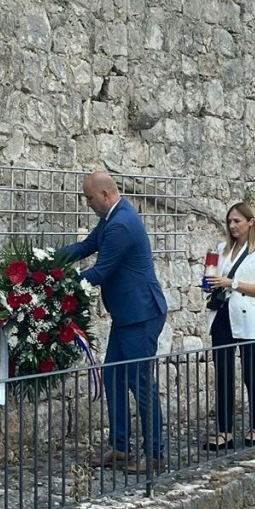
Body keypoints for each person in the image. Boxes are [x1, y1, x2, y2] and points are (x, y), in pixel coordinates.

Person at [63, 171, 168, 473]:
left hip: (142, 314)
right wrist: (46, 262)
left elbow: (99, 272)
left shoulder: (121, 223)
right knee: (113, 376)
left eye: (89, 197)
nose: (87, 203)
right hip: (127, 315)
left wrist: (58, 287)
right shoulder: (112, 217)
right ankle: (121, 447)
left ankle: (156, 454)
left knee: (140, 382)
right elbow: (83, 248)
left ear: (105, 194)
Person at [203, 202, 255, 451]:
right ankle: (225, 431)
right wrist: (212, 284)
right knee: (223, 374)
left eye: (237, 221)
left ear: (250, 222)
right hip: (223, 314)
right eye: (230, 222)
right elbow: (216, 277)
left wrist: (230, 282)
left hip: (250, 318)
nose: (233, 226)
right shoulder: (223, 249)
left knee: (250, 374)